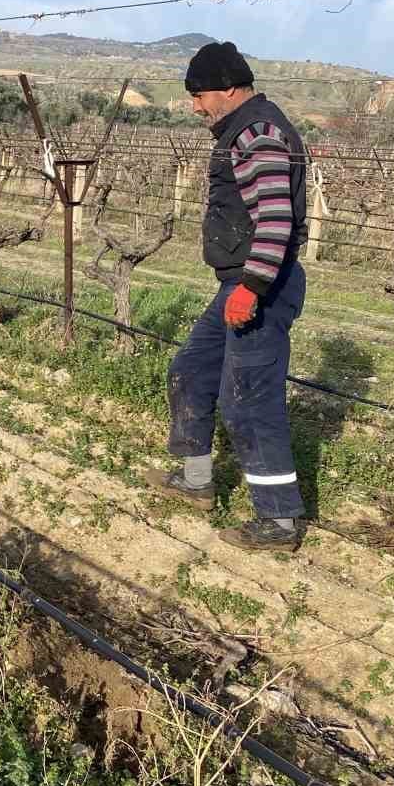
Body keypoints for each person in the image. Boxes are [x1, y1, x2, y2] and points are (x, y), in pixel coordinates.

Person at [147, 41, 310, 551]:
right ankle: (196, 479)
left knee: (250, 400)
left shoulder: (258, 132)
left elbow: (276, 218)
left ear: (230, 87)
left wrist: (253, 287)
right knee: (192, 369)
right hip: (240, 283)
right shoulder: (242, 129)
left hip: (262, 285)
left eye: (199, 95)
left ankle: (279, 521)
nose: (195, 106)